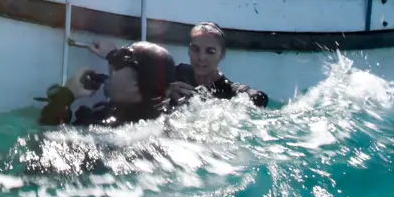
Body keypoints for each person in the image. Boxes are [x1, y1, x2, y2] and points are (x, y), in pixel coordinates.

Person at [39, 42, 175, 127]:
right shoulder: (161, 119)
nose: (112, 66)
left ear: (134, 85)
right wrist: (112, 55)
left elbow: (42, 139)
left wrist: (65, 95)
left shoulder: (104, 129)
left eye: (121, 61)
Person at [170, 23, 269, 108]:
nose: (201, 57)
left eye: (210, 51)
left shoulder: (229, 91)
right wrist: (165, 91)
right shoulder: (175, 74)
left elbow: (260, 98)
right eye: (195, 49)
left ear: (222, 55)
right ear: (188, 50)